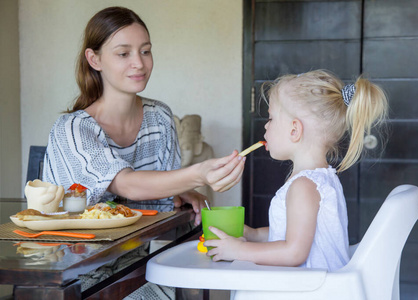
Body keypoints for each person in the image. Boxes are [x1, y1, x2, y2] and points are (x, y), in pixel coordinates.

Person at [41, 6, 245, 299]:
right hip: (72, 275)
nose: (139, 63)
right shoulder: (72, 129)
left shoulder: (159, 118)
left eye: (145, 51)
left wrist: (176, 191)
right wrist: (195, 176)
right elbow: (126, 184)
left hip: (134, 266)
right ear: (94, 59)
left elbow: (155, 194)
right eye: (123, 53)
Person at [204, 70, 388, 271]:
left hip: (310, 290)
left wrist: (239, 250)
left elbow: (293, 252)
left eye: (271, 118)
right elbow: (292, 232)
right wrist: (254, 235)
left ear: (294, 130)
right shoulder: (318, 179)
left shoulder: (304, 186)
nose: (266, 126)